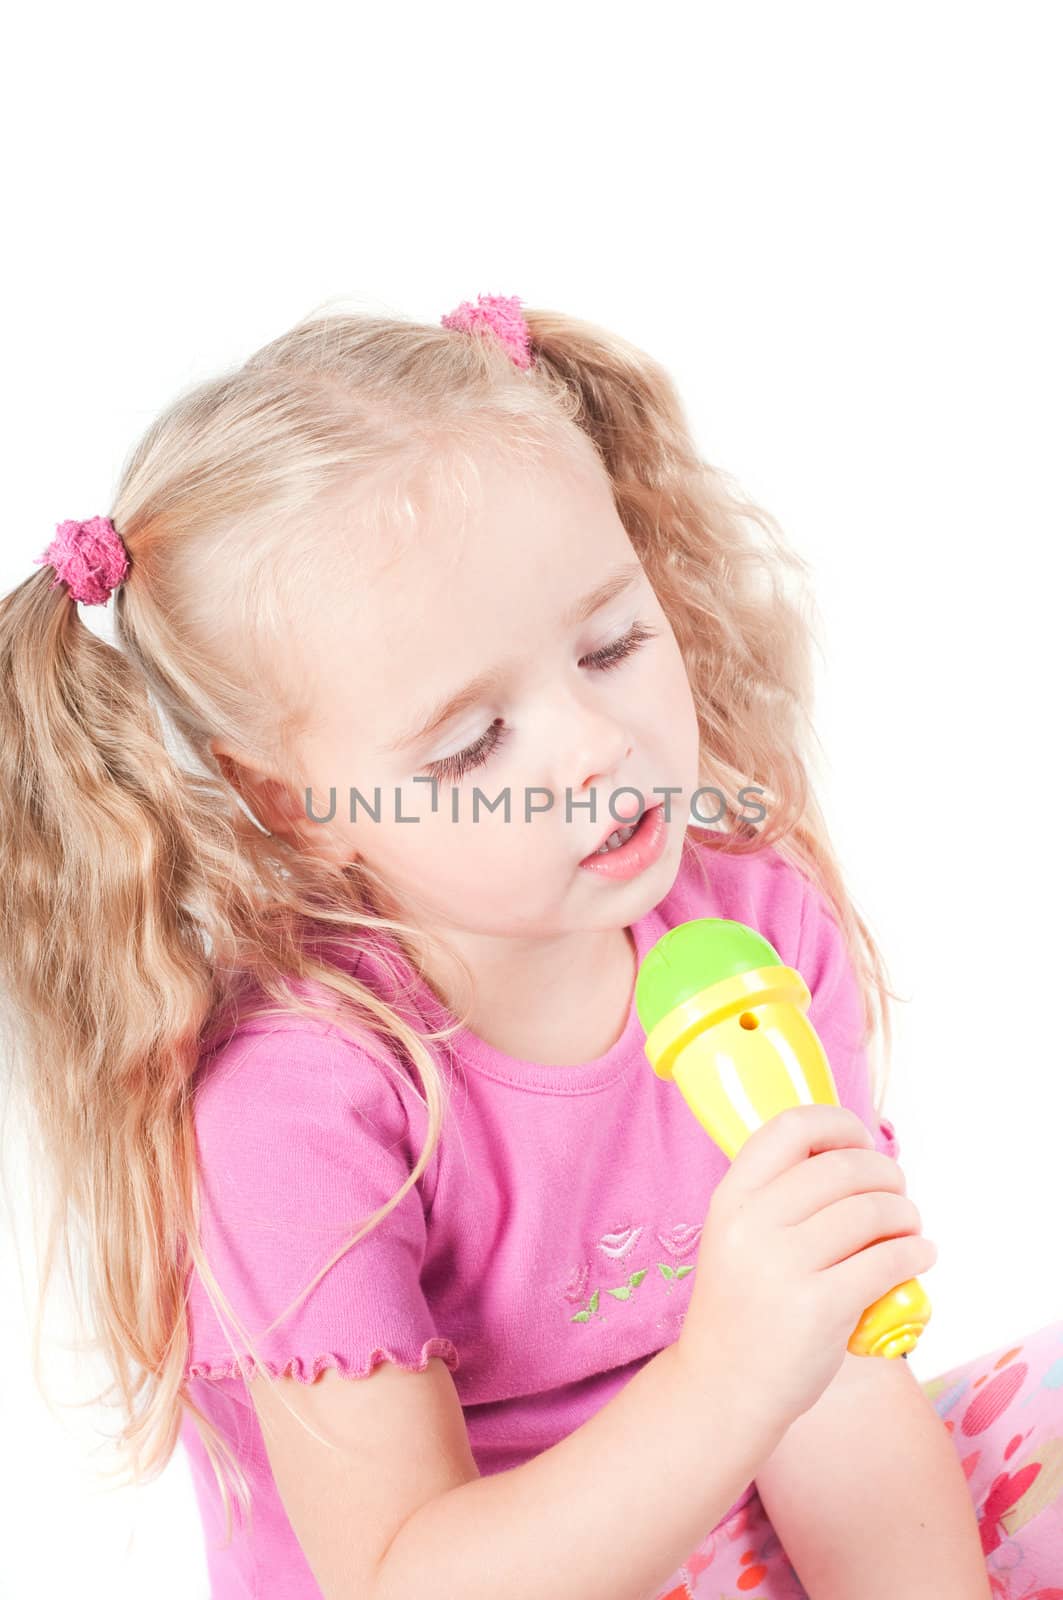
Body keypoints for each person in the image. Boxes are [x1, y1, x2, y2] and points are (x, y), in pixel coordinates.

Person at [1, 293, 1059, 1599]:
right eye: (470, 745)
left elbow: (839, 1396)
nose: (593, 746)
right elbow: (404, 1577)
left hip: (729, 1533)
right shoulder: (299, 1107)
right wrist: (729, 1374)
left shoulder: (756, 923)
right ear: (292, 801)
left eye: (613, 644)